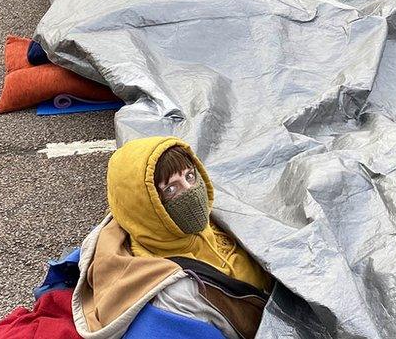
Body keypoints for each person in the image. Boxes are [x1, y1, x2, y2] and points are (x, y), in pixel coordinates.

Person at [72, 136, 272, 339]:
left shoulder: (217, 221)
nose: (191, 192)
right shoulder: (174, 294)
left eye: (190, 176)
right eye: (171, 189)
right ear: (147, 207)